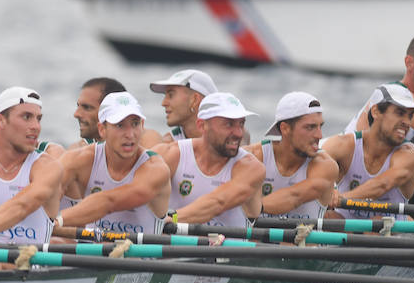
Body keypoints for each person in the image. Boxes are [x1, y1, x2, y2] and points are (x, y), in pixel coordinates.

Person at [0, 87, 64, 248]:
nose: (36, 126)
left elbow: (23, 205)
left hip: (27, 266)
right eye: (26, 117)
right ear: (0, 120)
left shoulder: (47, 167)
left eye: (38, 119)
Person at [57, 92, 171, 234]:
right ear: (102, 130)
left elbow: (109, 202)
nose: (130, 134)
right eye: (120, 125)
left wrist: (58, 221)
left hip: (141, 255)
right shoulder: (79, 160)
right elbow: (44, 195)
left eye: (135, 124)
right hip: (92, 250)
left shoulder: (155, 168)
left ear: (142, 126)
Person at [155, 92, 264, 227]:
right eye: (229, 124)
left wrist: (173, 219)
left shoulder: (251, 168)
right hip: (177, 246)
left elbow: (218, 202)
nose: (238, 133)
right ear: (202, 125)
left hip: (228, 247)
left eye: (241, 124)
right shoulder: (171, 154)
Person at [322, 83, 414, 219]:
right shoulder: (344, 145)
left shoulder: (409, 154)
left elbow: (382, 184)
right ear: (376, 111)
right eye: (400, 113)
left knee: (376, 224)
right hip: (345, 228)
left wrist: (339, 198)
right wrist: (328, 189)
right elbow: (313, 164)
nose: (407, 122)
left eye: (410, 116)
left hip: (388, 232)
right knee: (329, 217)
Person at [247, 92, 338, 220]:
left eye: (320, 126)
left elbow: (294, 197)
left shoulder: (325, 165)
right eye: (310, 127)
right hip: (259, 239)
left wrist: (252, 208)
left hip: (304, 240)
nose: (319, 135)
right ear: (285, 128)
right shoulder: (254, 156)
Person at [149, 68, 219, 143]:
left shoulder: (229, 142)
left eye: (171, 95)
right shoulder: (166, 145)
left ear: (194, 100)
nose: (163, 103)